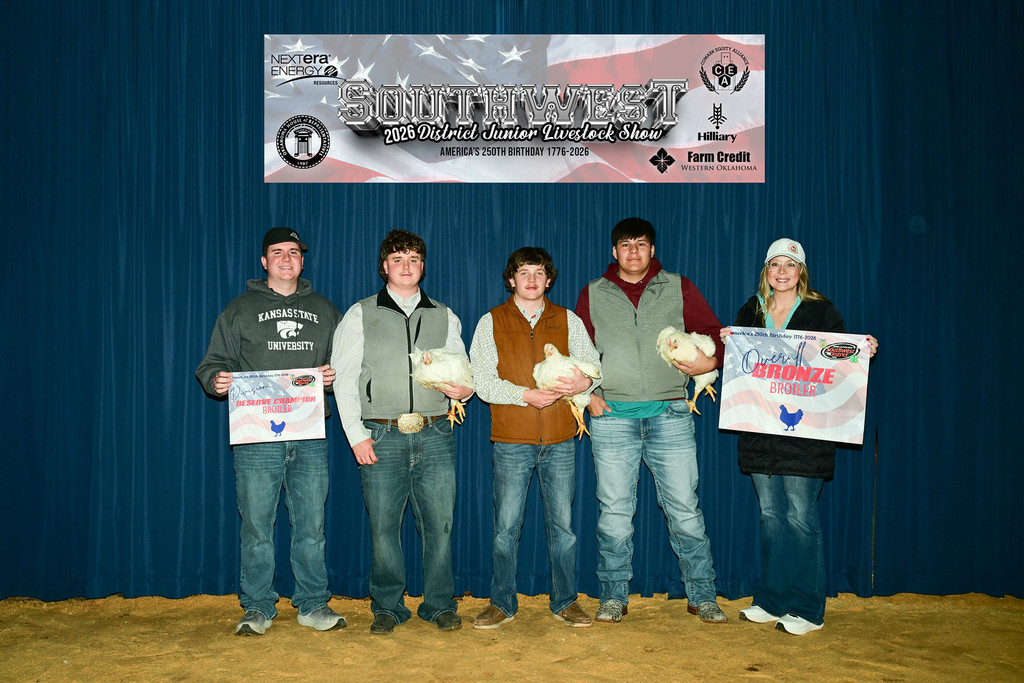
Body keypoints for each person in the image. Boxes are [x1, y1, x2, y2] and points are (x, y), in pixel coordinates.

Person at [575, 217, 728, 625]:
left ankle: (703, 594)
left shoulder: (679, 286)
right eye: (625, 245)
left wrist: (710, 361)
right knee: (614, 512)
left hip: (671, 414)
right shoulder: (593, 293)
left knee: (684, 509)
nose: (633, 251)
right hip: (611, 419)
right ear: (614, 252)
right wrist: (586, 395)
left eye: (641, 244)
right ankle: (612, 597)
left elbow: (712, 333)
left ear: (652, 250)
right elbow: (579, 351)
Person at [721, 237, 878, 636]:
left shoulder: (820, 311)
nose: (782, 272)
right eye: (775, 265)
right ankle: (773, 599)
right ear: (766, 271)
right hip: (760, 434)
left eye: (790, 265)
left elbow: (842, 359)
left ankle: (808, 609)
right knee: (771, 518)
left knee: (801, 519)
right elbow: (744, 368)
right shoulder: (751, 311)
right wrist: (730, 342)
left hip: (806, 436)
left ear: (801, 271)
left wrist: (863, 349)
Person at [196, 227, 346, 636]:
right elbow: (210, 364)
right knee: (257, 526)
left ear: (302, 260)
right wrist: (218, 381)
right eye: (277, 252)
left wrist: (334, 377)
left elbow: (345, 366)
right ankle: (258, 606)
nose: (286, 258)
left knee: (311, 526)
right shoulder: (240, 309)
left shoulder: (325, 309)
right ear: (264, 261)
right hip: (256, 435)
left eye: (294, 252)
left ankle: (313, 603)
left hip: (310, 435)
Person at [332, 229, 473, 635]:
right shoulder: (360, 313)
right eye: (397, 259)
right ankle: (389, 607)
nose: (406, 266)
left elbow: (462, 370)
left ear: (423, 266)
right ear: (384, 267)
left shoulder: (444, 315)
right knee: (383, 526)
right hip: (381, 434)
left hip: (434, 433)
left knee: (440, 524)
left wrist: (465, 388)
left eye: (413, 259)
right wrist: (355, 434)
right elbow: (343, 379)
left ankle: (439, 603)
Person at [469, 247, 601, 630]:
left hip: (560, 438)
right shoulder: (490, 321)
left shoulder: (567, 319)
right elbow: (482, 380)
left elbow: (594, 366)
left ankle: (565, 601)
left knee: (564, 528)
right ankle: (501, 602)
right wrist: (525, 395)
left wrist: (586, 382)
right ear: (511, 279)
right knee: (506, 527)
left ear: (549, 279)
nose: (531, 279)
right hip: (511, 439)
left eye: (538, 272)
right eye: (523, 272)